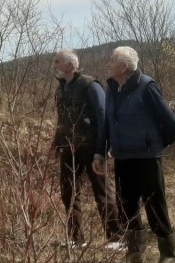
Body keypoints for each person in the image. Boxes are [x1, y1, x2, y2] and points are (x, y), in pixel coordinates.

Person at [93, 46, 175, 263]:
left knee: (155, 206)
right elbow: (106, 125)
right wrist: (100, 153)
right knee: (126, 206)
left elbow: (172, 124)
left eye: (112, 60)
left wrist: (155, 145)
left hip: (147, 158)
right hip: (122, 158)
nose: (108, 63)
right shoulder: (112, 89)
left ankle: (168, 256)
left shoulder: (146, 87)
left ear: (124, 67)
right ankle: (135, 253)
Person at [51, 49, 124, 251]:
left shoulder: (90, 85)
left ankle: (116, 237)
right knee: (68, 192)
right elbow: (62, 119)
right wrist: (56, 143)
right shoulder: (60, 88)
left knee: (101, 191)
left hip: (91, 146)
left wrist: (103, 148)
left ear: (70, 65)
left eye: (57, 61)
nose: (54, 65)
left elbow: (103, 115)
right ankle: (76, 238)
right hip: (68, 146)